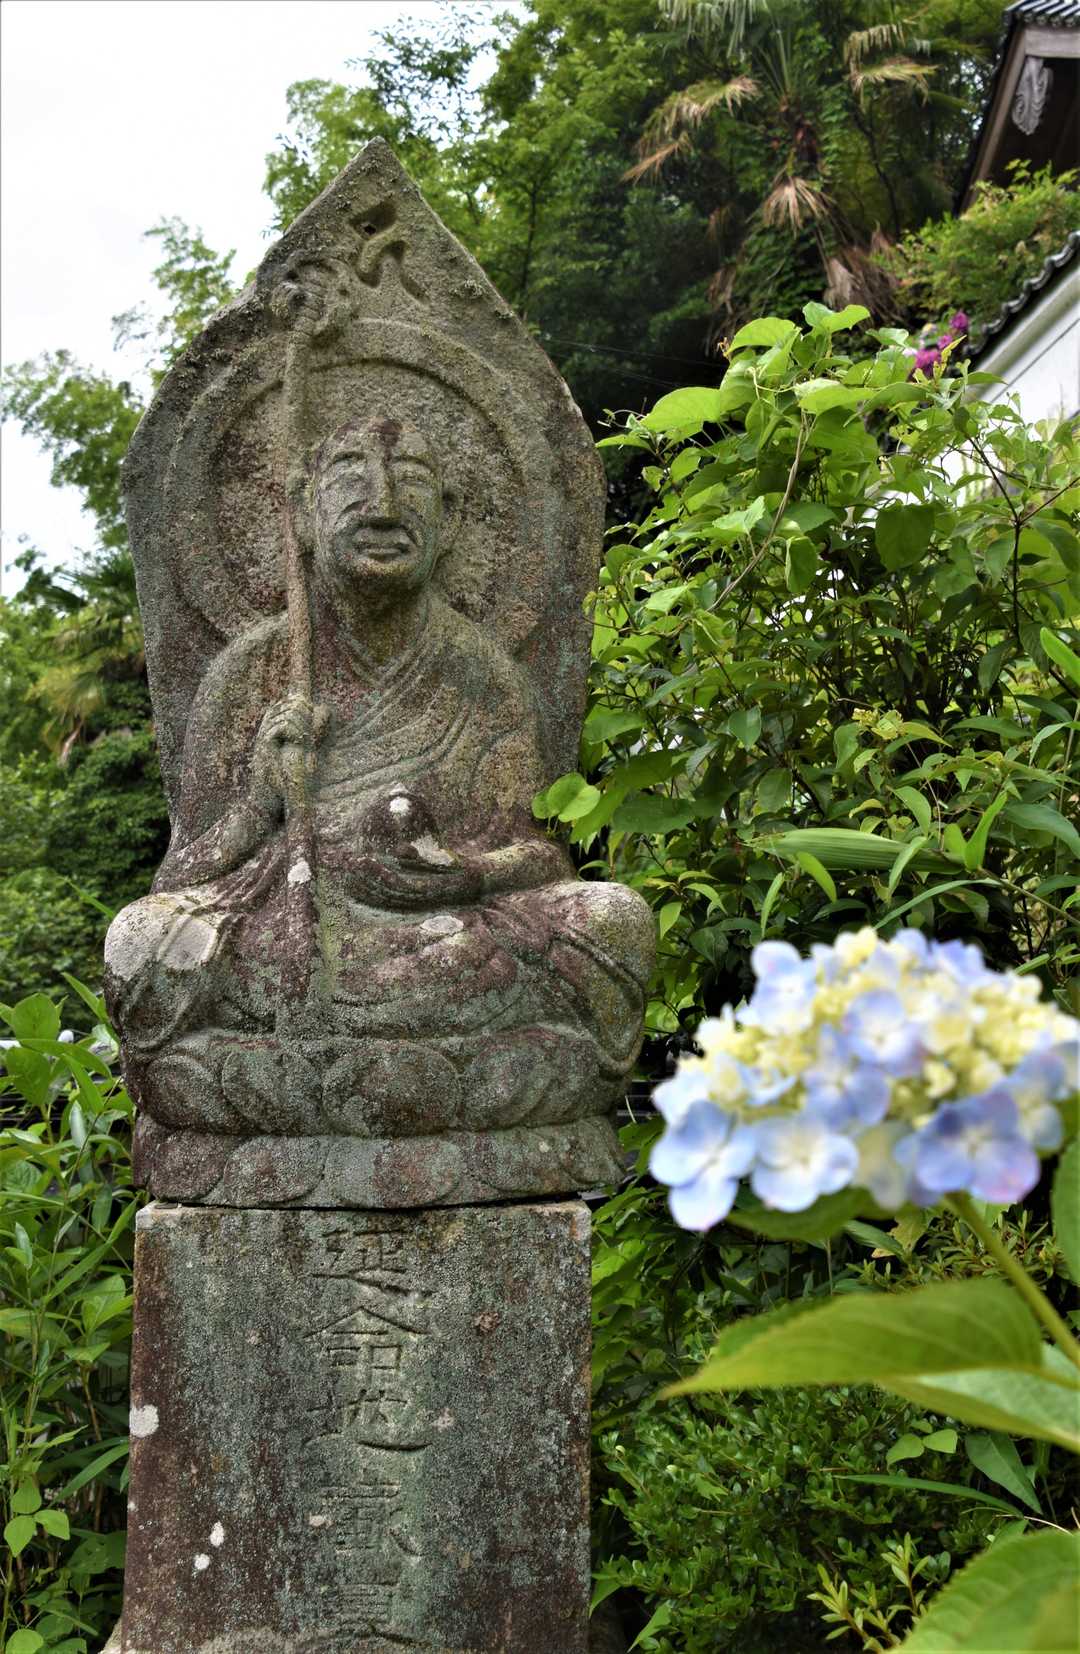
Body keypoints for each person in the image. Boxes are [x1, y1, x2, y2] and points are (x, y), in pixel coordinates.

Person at [105, 412, 655, 1140]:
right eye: (350, 477)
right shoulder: (249, 674)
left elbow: (538, 857)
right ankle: (430, 1082)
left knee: (613, 920)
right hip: (285, 933)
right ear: (302, 512)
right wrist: (260, 803)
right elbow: (181, 879)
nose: (385, 504)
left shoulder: (483, 675)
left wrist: (461, 874)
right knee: (144, 938)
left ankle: (307, 1085)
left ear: (450, 519)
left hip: (447, 938)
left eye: (413, 480)